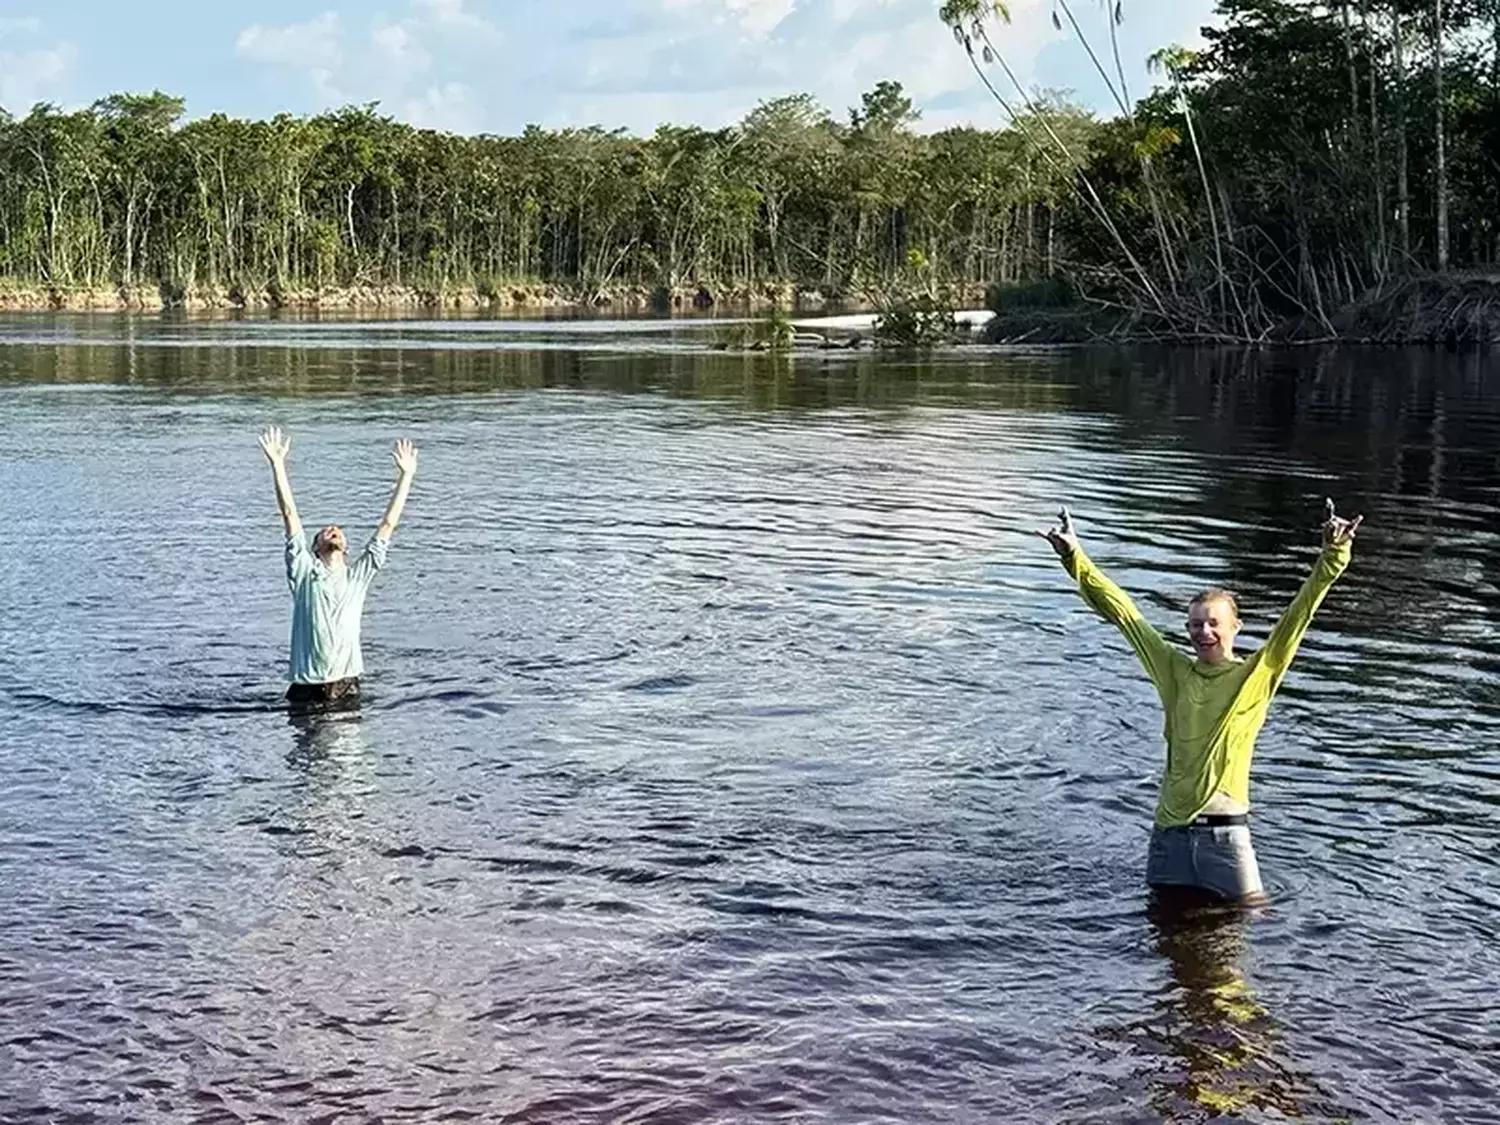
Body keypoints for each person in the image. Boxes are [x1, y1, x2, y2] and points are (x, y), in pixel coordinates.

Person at [1040, 499, 1362, 905]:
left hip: (1225, 837)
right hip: (1168, 838)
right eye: (1195, 624)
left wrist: (1333, 555)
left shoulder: (1257, 674)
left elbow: (1298, 616)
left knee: (1246, 927)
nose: (1204, 631)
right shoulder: (1173, 670)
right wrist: (1075, 559)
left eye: (1213, 623)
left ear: (1235, 627)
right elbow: (1125, 614)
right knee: (1164, 934)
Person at [258, 426, 418, 710]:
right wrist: (278, 464)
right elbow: (289, 515)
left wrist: (406, 476)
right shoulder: (305, 573)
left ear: (346, 549)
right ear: (315, 549)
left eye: (338, 531)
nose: (333, 529)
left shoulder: (358, 576)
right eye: (325, 531)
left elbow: (388, 525)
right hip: (305, 687)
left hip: (346, 685)